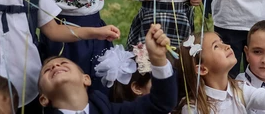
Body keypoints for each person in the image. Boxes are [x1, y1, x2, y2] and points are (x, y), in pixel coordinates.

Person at [38, 24, 178, 114]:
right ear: (43, 99)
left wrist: (158, 59)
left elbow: (160, 104)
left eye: (63, 63)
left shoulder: (107, 110)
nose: (56, 66)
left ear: (86, 79)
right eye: (47, 70)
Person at [174, 32, 265, 114]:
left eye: (222, 42)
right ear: (202, 69)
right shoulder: (192, 107)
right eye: (216, 46)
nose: (226, 46)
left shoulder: (240, 89)